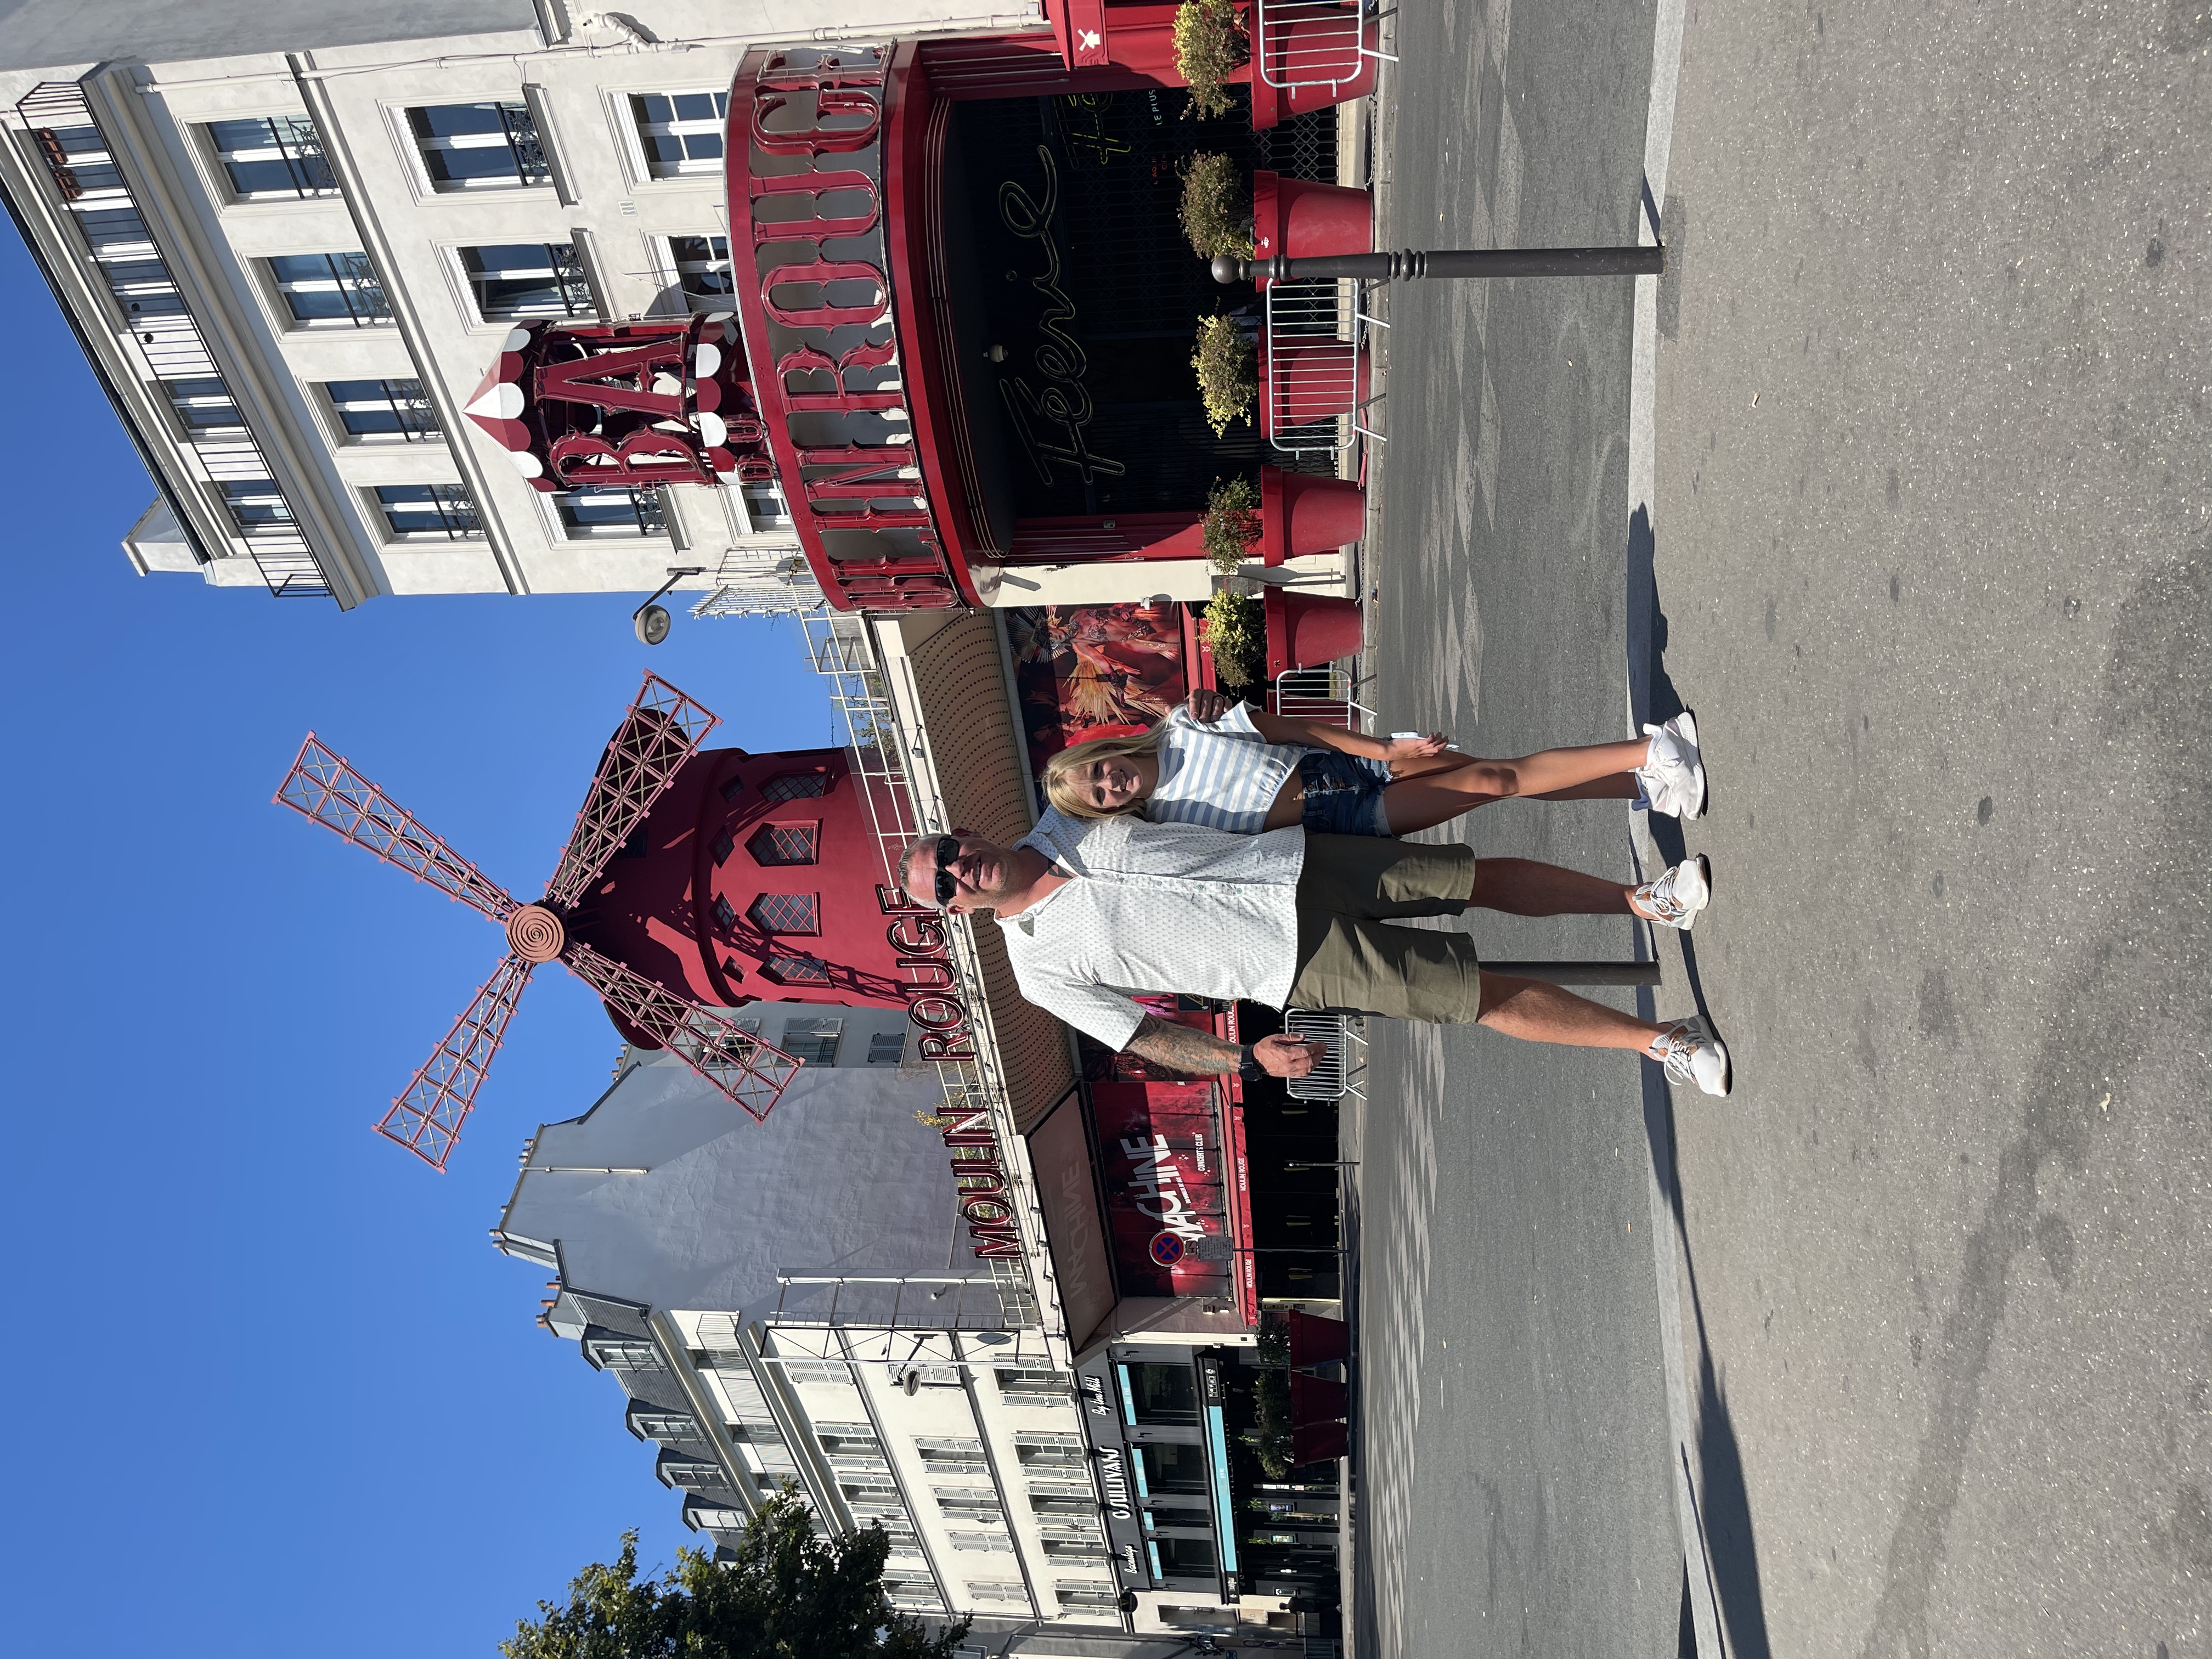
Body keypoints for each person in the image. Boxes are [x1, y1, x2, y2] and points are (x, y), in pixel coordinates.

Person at [896, 813, 1731, 1096]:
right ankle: (1661, 1042)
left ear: (964, 833)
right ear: (956, 910)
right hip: (1290, 961)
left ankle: (1644, 900)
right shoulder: (1037, 971)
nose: (957, 869)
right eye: (944, 884)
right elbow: (1141, 1036)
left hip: (1294, 862)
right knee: (1472, 995)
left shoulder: (1065, 812)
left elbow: (1170, 767)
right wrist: (1246, 1060)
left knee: (1470, 877)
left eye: (949, 852)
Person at [1040, 689, 1705, 838]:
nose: (1108, 783)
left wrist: (1387, 749)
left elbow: (1297, 729)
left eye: (1096, 769)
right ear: (1107, 810)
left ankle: (1648, 758)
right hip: (1340, 822)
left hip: (1344, 768)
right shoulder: (1162, 826)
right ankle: (1645, 771)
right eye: (1097, 795)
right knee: (1494, 784)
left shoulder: (1188, 725)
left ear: (1103, 752)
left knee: (1501, 775)